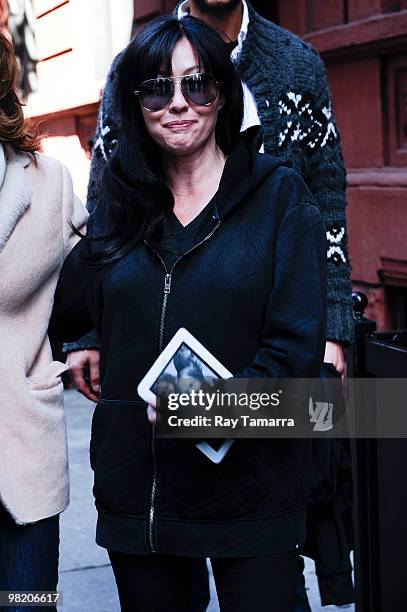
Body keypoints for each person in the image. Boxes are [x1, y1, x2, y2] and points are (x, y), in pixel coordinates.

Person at [49, 16, 327, 612]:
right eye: (157, 87)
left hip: (252, 488)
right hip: (141, 490)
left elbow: (295, 351)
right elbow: (65, 302)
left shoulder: (280, 197)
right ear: (135, 102)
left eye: (197, 85)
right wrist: (82, 338)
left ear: (222, 94)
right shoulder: (118, 202)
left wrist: (206, 409)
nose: (178, 104)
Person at [0, 31, 87, 611]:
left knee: (28, 606)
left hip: (21, 460)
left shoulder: (48, 182)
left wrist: (85, 342)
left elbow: (96, 279)